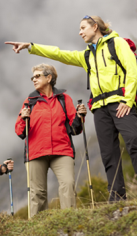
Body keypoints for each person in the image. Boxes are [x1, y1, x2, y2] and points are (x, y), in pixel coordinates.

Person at [5, 15, 137, 201]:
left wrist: (127, 100)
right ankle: (117, 196)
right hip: (100, 108)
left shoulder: (117, 43)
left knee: (133, 142)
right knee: (108, 153)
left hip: (121, 103)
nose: (80, 32)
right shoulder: (87, 55)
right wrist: (30, 46)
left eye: (83, 28)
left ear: (95, 27)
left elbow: (132, 71)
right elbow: (59, 53)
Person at [15, 63, 86, 217]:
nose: (34, 79)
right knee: (37, 193)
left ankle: (70, 222)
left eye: (37, 76)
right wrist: (23, 117)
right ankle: (37, 230)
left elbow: (75, 129)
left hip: (62, 151)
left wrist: (80, 117)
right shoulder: (30, 101)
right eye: (32, 77)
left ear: (49, 78)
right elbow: (20, 131)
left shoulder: (64, 99)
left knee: (68, 184)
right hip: (36, 153)